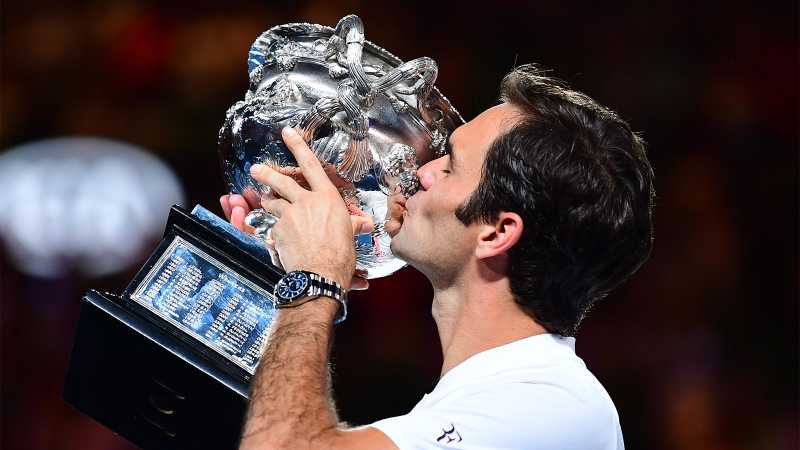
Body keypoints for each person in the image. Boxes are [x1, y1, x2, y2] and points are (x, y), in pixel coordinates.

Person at [219, 64, 655, 450]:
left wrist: (314, 279)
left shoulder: (551, 406)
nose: (423, 171)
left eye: (450, 167)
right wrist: (269, 285)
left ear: (498, 232)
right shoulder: (495, 400)